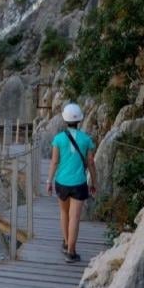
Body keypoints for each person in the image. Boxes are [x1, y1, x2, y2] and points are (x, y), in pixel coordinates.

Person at [46, 103, 98, 263]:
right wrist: (94, 182)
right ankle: (71, 252)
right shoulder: (86, 139)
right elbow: (90, 162)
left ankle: (65, 242)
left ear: (64, 119)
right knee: (74, 217)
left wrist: (49, 181)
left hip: (61, 182)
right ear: (80, 120)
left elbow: (54, 162)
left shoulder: (58, 139)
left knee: (64, 213)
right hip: (79, 183)